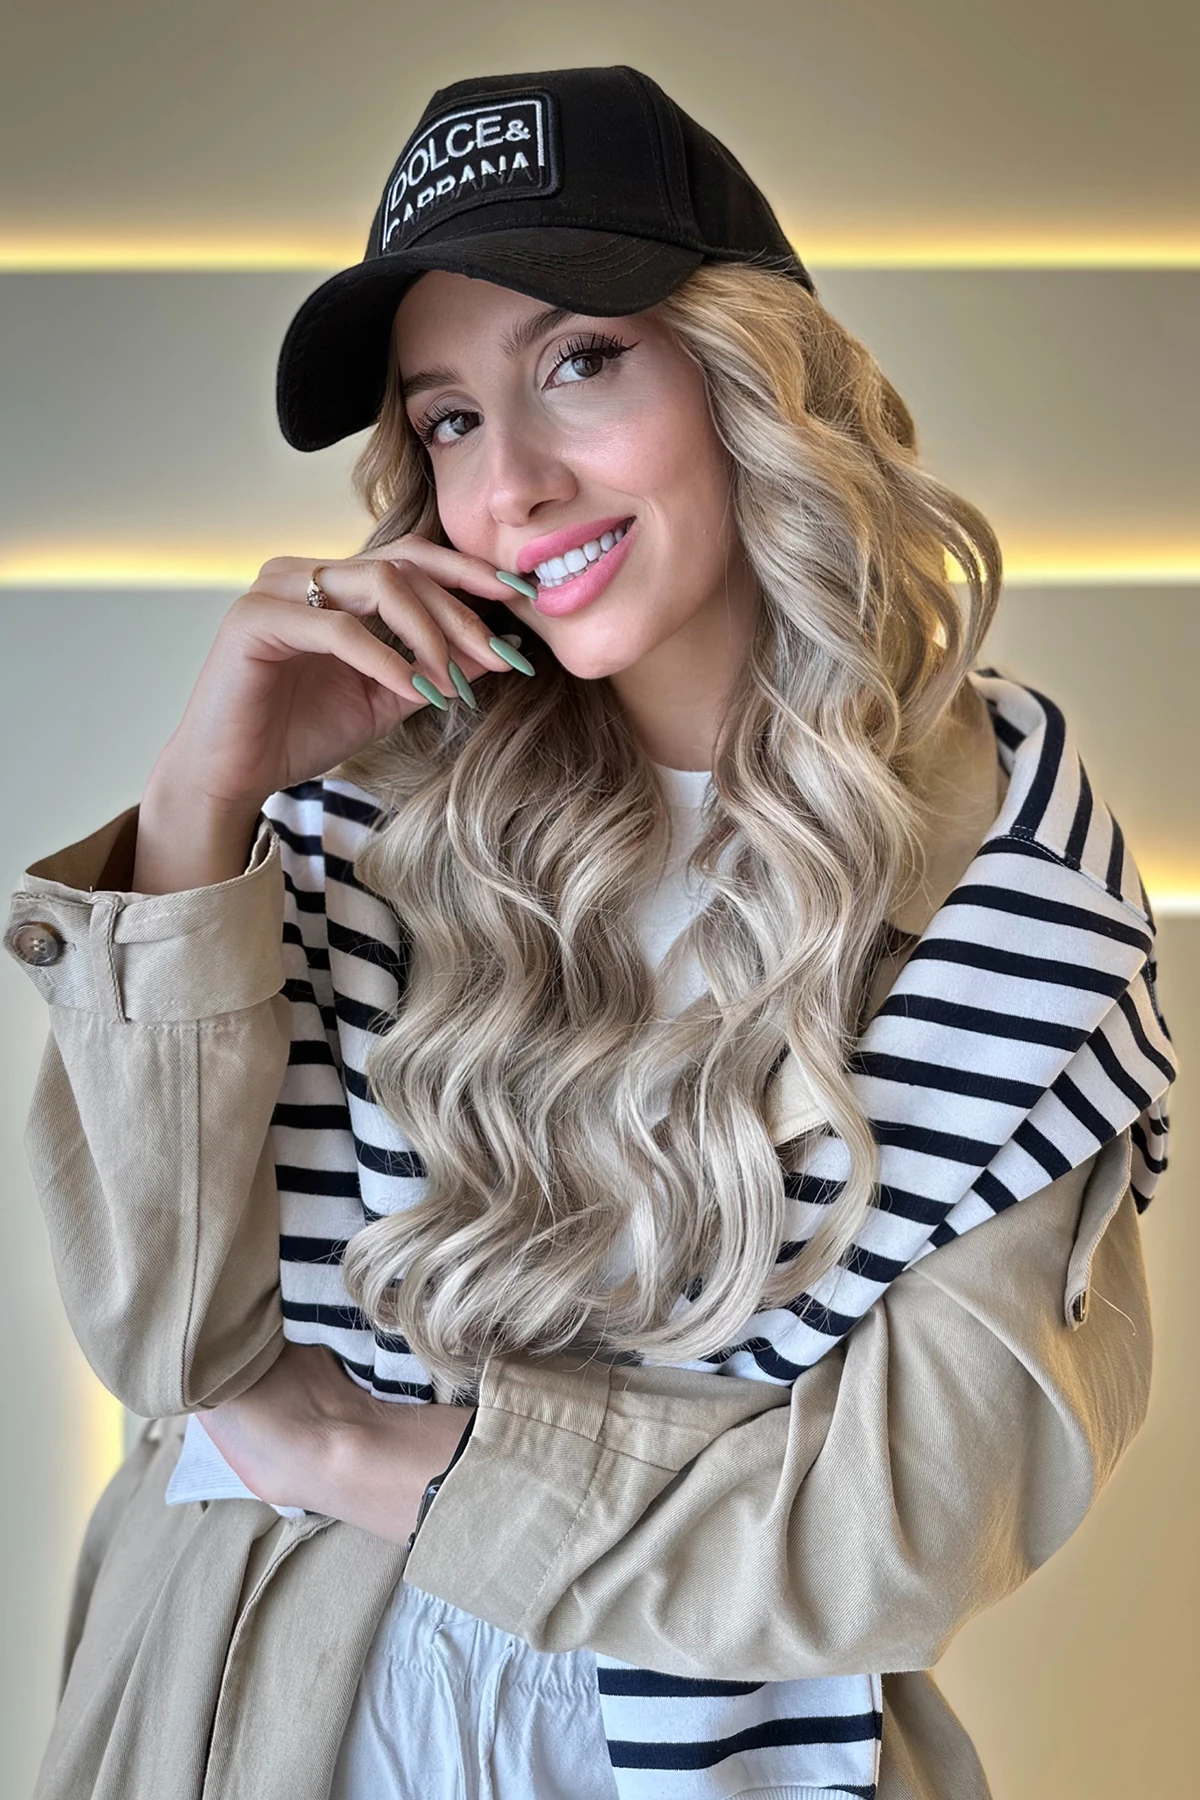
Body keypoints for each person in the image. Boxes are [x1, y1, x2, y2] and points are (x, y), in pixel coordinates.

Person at [4, 64, 1176, 1800]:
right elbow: (168, 1340)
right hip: (249, 1715)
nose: (514, 487)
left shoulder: (1005, 871)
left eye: (581, 362)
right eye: (449, 420)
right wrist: (204, 804)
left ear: (750, 377)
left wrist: (360, 1452)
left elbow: (888, 1539)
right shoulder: (358, 805)